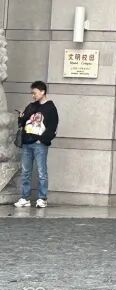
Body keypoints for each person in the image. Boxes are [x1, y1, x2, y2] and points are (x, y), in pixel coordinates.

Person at [14, 81, 59, 209]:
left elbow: (53, 127)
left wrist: (42, 140)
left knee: (41, 172)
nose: (33, 95)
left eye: (35, 93)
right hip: (27, 143)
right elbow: (23, 122)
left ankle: (42, 198)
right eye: (32, 93)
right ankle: (25, 198)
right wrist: (21, 117)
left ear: (42, 92)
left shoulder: (50, 108)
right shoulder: (31, 106)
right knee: (25, 172)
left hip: (40, 145)